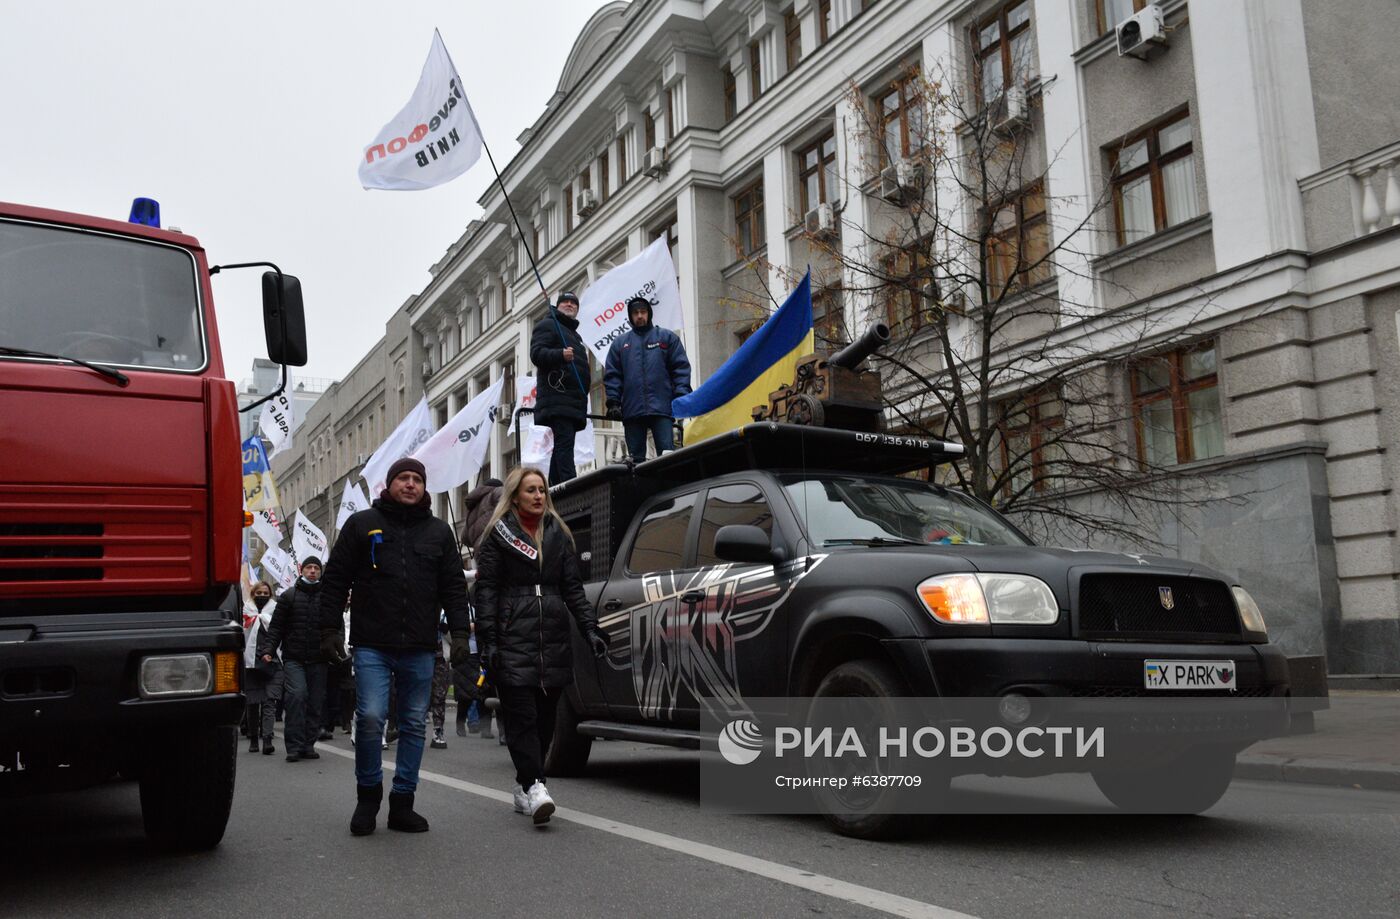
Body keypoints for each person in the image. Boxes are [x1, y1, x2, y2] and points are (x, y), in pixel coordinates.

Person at [316, 457, 471, 837]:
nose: (410, 484)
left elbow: (453, 586)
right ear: (390, 484)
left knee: (414, 723)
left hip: (420, 645)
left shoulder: (438, 532)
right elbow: (335, 579)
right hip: (371, 643)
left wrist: (462, 634)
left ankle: (403, 802)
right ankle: (368, 796)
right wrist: (329, 628)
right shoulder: (362, 525)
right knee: (370, 718)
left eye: (417, 479)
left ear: (424, 487)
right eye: (403, 478)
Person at [475, 466, 609, 824]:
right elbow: (485, 590)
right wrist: (487, 639)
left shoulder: (558, 533)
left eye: (542, 490)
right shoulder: (497, 536)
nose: (538, 496)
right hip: (512, 634)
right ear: (515, 495)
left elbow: (573, 589)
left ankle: (523, 785)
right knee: (522, 717)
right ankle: (536, 786)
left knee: (546, 720)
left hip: (552, 636)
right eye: (531, 490)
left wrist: (590, 628)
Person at [604, 296, 692, 463]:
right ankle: (640, 489)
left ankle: (669, 487)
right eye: (635, 313)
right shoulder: (620, 344)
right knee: (636, 461)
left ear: (649, 313)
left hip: (662, 408)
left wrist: (681, 394)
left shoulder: (666, 338)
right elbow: (613, 375)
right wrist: (614, 402)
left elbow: (680, 368)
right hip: (632, 411)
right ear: (630, 316)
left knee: (667, 456)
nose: (639, 316)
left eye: (643, 312)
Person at [259, 557, 327, 763]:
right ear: (301, 570)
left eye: (316, 568)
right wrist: (269, 649)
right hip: (294, 658)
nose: (313, 571)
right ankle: (294, 747)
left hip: (319, 659)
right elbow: (276, 628)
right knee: (297, 697)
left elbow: (336, 628)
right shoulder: (288, 597)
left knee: (315, 702)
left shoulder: (327, 597)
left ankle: (308, 744)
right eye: (309, 567)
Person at [529, 292, 591, 484]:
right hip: (558, 398)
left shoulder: (574, 334)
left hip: (571, 401)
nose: (570, 305)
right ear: (558, 305)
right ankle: (570, 487)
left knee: (563, 447)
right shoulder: (548, 325)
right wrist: (560, 355)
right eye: (565, 301)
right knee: (564, 446)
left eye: (574, 303)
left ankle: (556, 489)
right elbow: (537, 354)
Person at [241, 581, 282, 755]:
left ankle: (267, 740)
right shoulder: (245, 611)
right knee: (252, 703)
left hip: (273, 661)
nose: (262, 596)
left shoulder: (276, 610)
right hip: (250, 662)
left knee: (269, 701)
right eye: (259, 592)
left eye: (266, 593)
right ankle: (253, 738)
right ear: (253, 593)